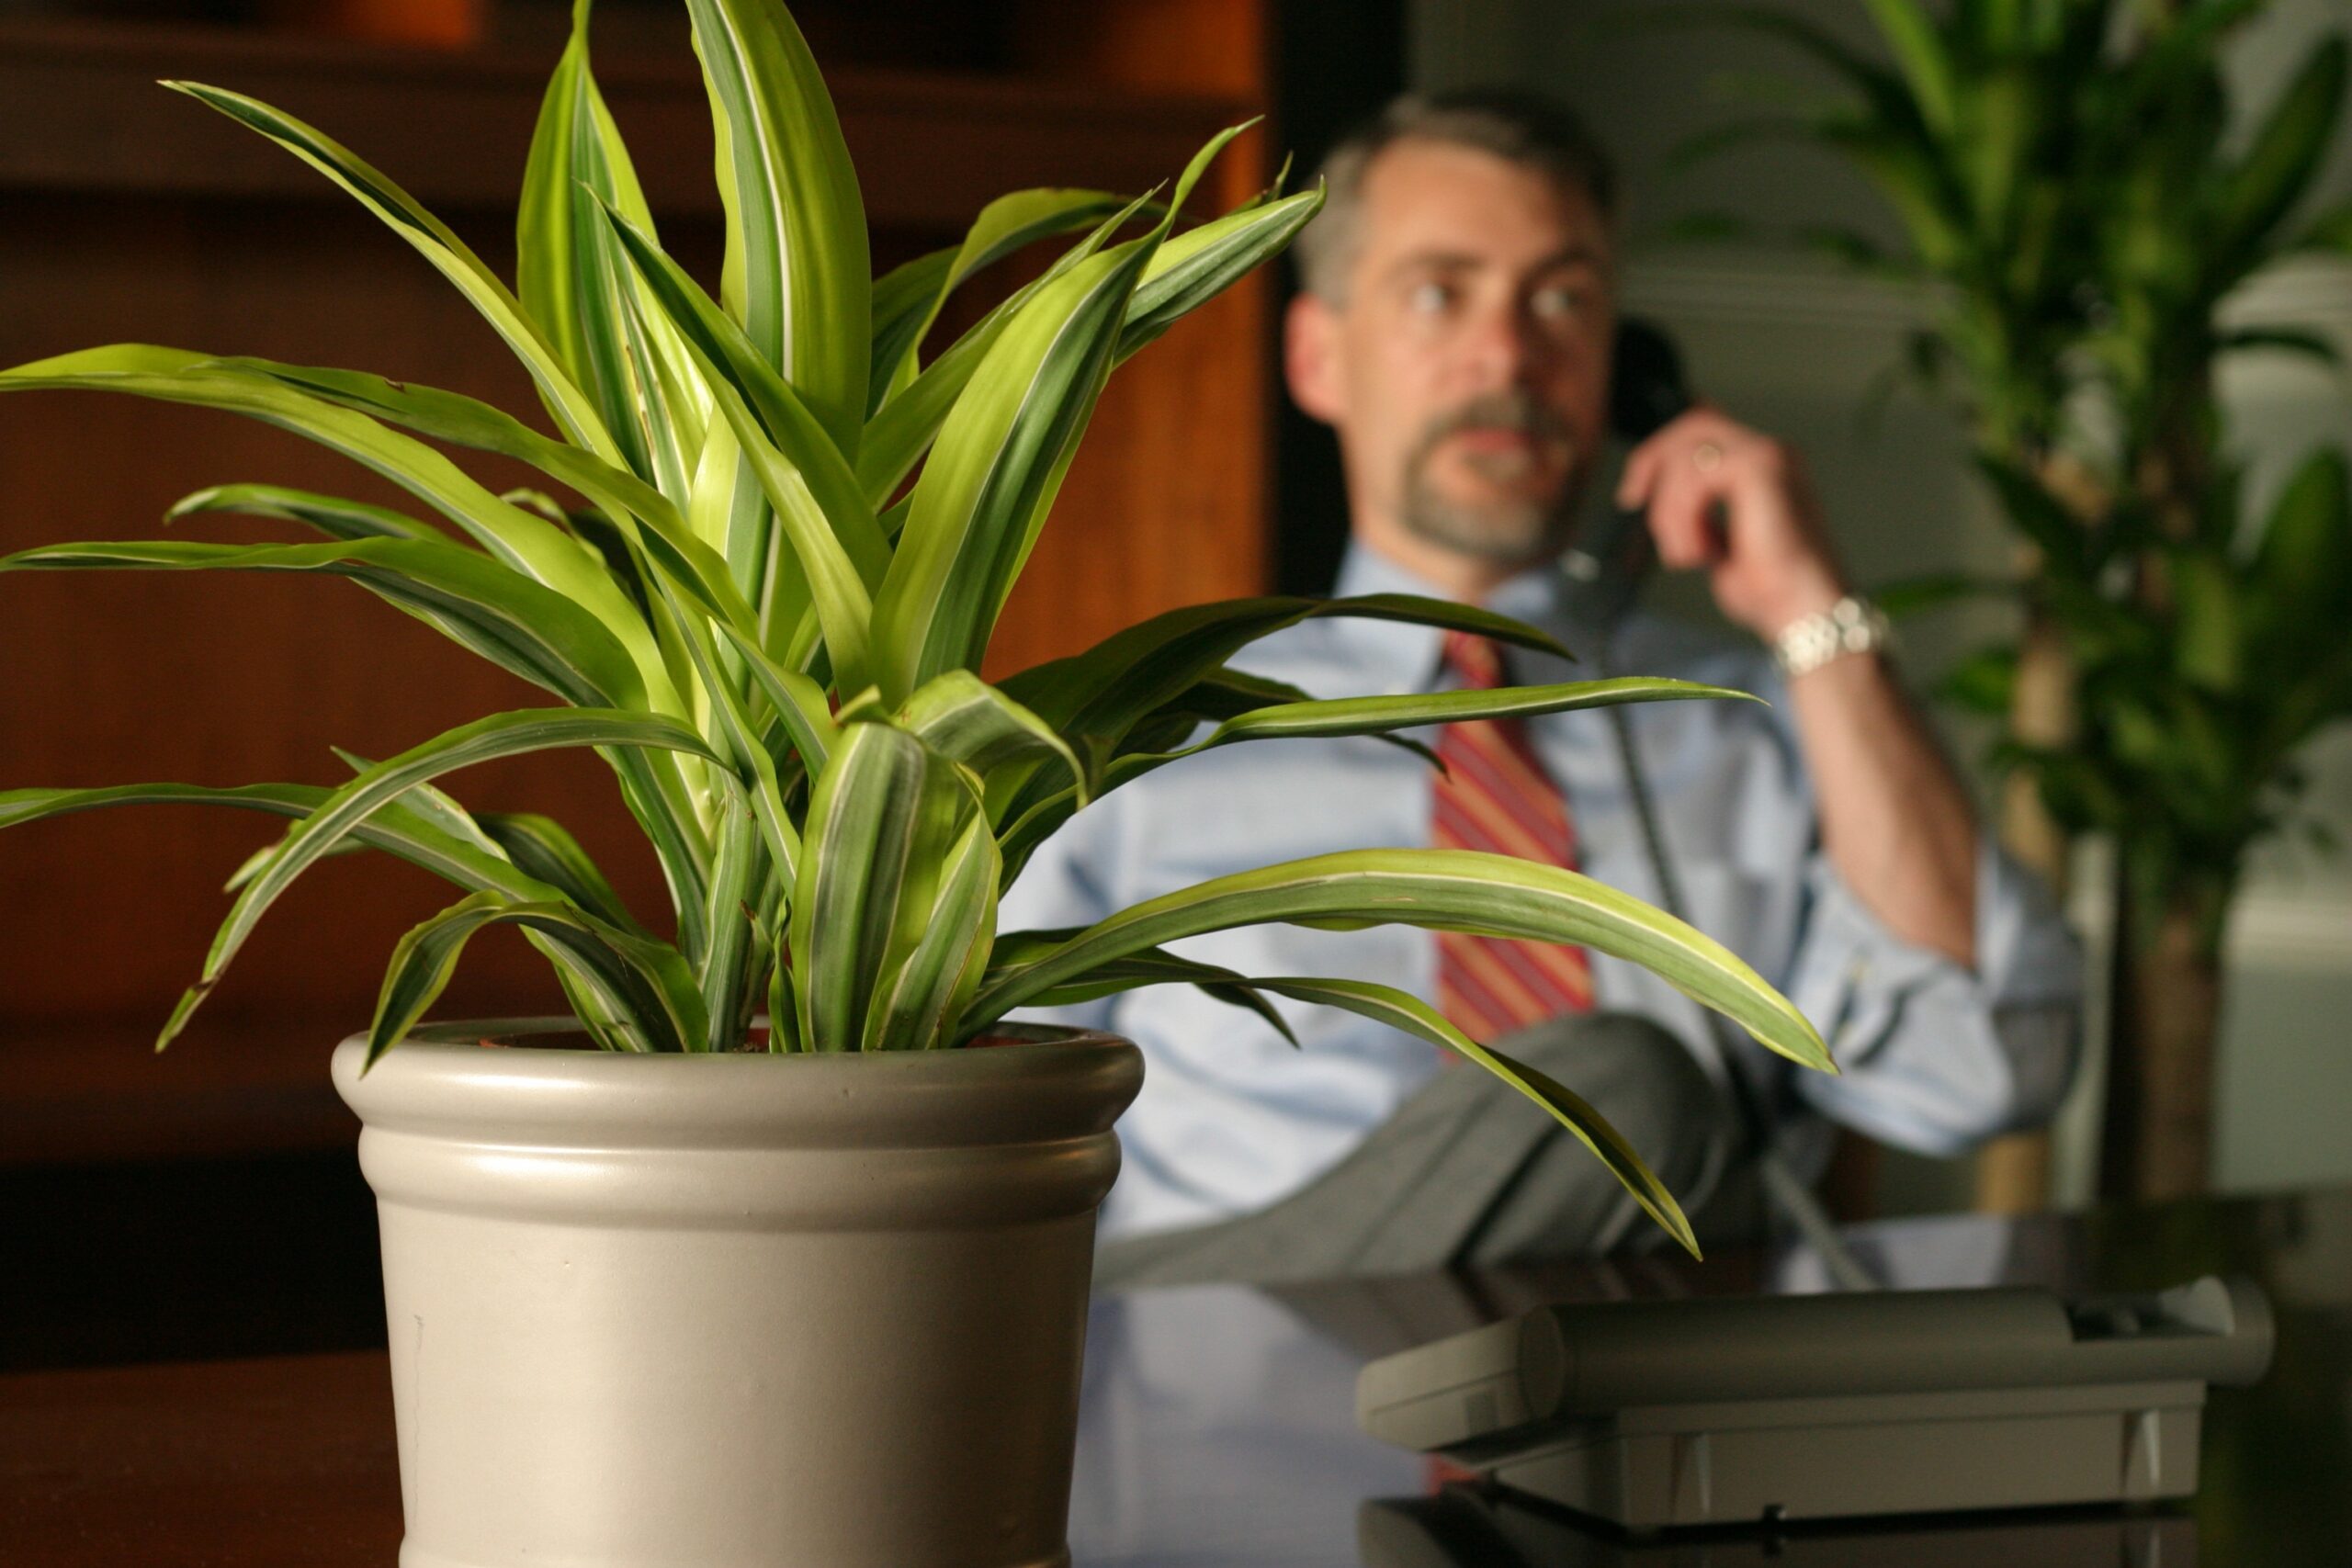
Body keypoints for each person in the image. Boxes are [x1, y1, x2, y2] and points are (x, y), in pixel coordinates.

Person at [1001, 90, 2082, 1288]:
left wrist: (1811, 614)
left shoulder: (1754, 726)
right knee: (1629, 1098)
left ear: (1625, 361)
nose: (1510, 357)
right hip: (1241, 1386)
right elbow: (965, 1148)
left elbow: (1986, 1070)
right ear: (1318, 356)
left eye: (1562, 298)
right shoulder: (1142, 734)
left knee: (1637, 1107)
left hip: (1665, 1427)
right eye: (1439, 293)